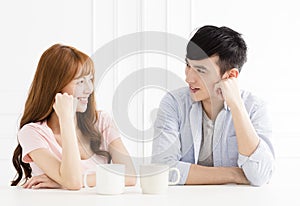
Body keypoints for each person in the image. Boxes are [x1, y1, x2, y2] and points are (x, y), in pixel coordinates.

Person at [152, 25, 275, 186]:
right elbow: (162, 171)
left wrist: (236, 106)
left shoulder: (254, 108)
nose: (188, 78)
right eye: (188, 66)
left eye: (200, 71)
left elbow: (260, 176)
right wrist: (233, 174)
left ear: (230, 75)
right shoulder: (174, 103)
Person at [11, 44, 136, 190]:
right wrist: (66, 119)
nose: (89, 89)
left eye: (90, 80)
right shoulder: (32, 133)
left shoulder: (101, 121)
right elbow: (73, 183)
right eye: (80, 82)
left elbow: (130, 176)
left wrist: (62, 181)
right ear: (55, 86)